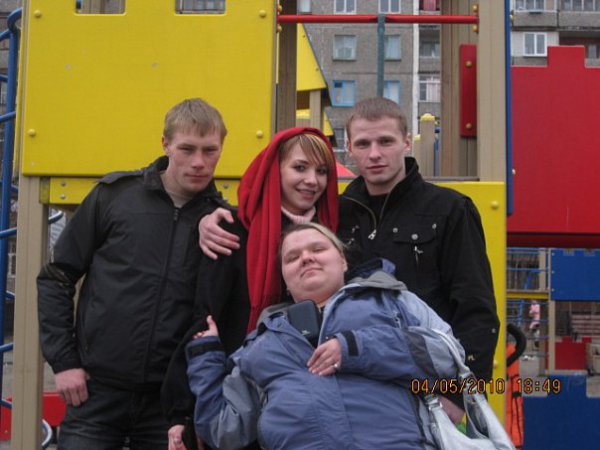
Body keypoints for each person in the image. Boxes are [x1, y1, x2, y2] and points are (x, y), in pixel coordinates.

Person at [198, 97, 499, 422]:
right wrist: (212, 215)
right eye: (363, 144)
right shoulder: (334, 213)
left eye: (386, 141)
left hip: (424, 389)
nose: (375, 154)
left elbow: (476, 310)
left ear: (406, 142)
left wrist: (459, 397)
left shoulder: (449, 209)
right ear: (349, 149)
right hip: (347, 390)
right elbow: (274, 219)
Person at [37, 98, 229, 449]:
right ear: (166, 144)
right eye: (187, 149)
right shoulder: (115, 197)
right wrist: (64, 362)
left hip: (170, 403)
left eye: (209, 150)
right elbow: (57, 277)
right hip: (95, 392)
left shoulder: (221, 221)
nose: (199, 162)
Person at [186, 223, 464, 450]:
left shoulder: (391, 300)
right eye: (292, 257)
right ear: (284, 279)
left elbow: (448, 356)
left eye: (318, 249)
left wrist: (357, 348)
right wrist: (204, 356)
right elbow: (224, 431)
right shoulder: (261, 343)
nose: (306, 258)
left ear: (343, 260)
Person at [161, 127, 339, 449]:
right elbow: (204, 320)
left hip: (313, 397)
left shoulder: (337, 230)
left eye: (322, 171)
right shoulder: (231, 230)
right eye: (300, 168)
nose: (312, 180)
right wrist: (183, 411)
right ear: (274, 170)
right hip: (239, 398)